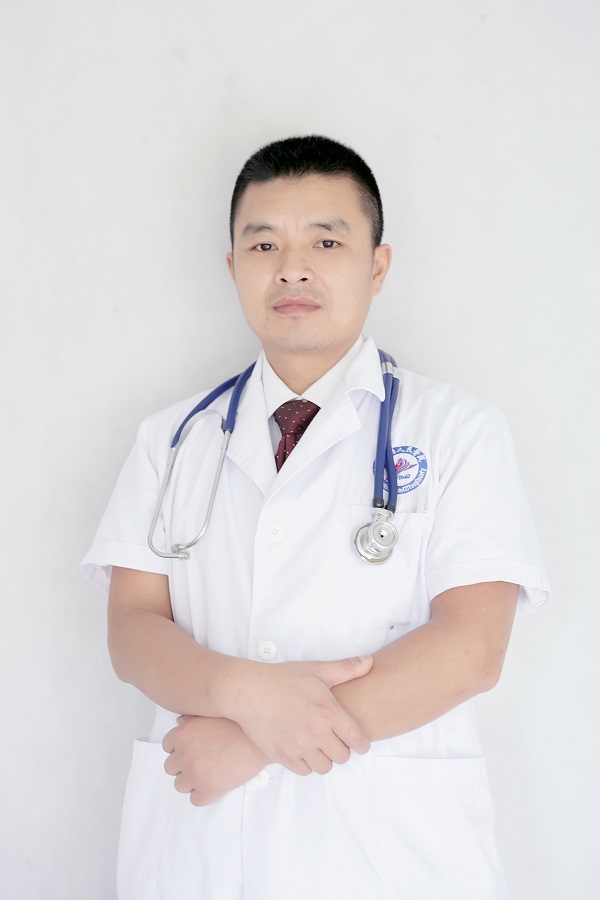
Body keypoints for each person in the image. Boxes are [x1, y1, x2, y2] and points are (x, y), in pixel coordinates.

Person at [81, 135, 550, 900]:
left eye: (326, 242)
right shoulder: (171, 439)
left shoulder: (458, 430)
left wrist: (255, 742)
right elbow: (132, 630)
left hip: (390, 860)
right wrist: (242, 693)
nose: (292, 268)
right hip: (203, 853)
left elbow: (471, 648)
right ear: (233, 266)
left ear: (377, 266)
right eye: (263, 243)